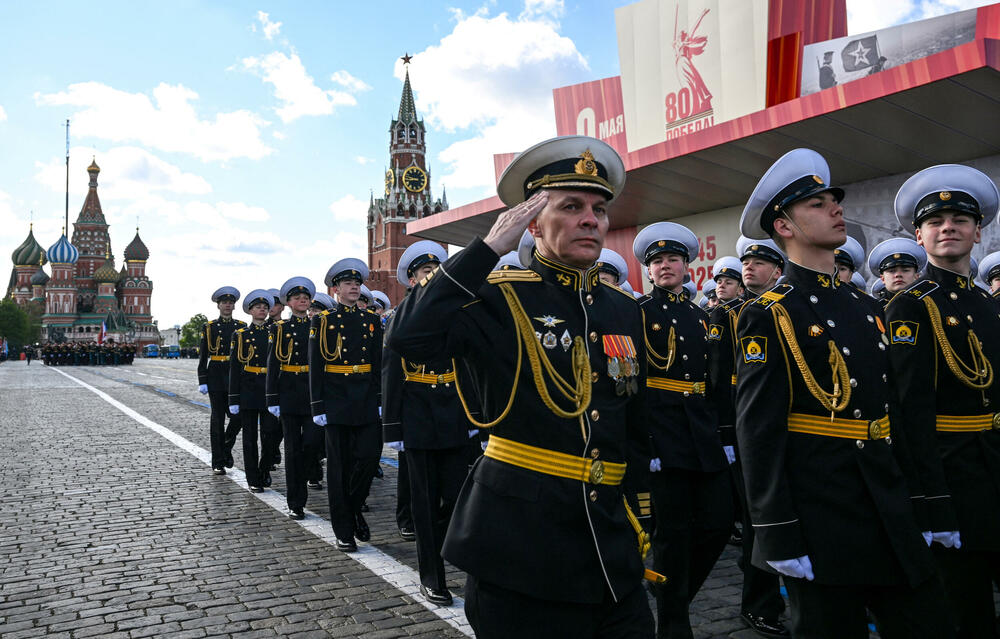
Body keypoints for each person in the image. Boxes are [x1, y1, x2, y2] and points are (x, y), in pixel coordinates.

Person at [387, 136, 655, 637]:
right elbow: (410, 337)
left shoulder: (621, 310)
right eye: (571, 206)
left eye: (598, 208)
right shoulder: (497, 297)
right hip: (522, 544)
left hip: (609, 543)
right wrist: (488, 249)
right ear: (532, 223)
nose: (590, 219)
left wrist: (640, 512)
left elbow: (630, 422)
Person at [736, 148, 951, 639]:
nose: (836, 208)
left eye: (834, 199)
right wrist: (776, 531)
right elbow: (758, 430)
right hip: (821, 506)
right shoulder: (770, 312)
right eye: (817, 204)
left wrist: (924, 502)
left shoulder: (865, 305)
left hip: (885, 492)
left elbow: (896, 412)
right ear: (784, 226)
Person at [886, 164, 1000, 638]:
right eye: (934, 222)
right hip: (952, 475)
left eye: (958, 220)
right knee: (967, 608)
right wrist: (930, 501)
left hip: (994, 464)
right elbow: (909, 411)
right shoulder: (910, 306)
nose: (946, 227)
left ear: (978, 232)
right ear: (919, 235)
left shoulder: (987, 302)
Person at [633, 222, 732, 639]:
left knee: (720, 521)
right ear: (649, 272)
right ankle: (674, 628)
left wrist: (724, 438)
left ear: (687, 266)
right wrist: (645, 440)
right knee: (671, 535)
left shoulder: (703, 316)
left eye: (673, 259)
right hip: (662, 429)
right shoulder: (638, 313)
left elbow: (716, 382)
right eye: (657, 261)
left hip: (701, 430)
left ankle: (673, 594)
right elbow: (631, 382)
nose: (665, 266)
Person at [383, 239, 475, 605]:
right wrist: (393, 428)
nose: (432, 276)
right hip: (418, 417)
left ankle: (461, 561)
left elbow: (468, 367)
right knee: (423, 504)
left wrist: (475, 418)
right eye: (425, 272)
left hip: (454, 413)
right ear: (413, 280)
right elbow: (391, 374)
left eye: (436, 270)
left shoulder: (458, 313)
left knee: (457, 499)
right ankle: (431, 576)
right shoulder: (401, 317)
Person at [707, 254, 788, 638]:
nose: (749, 269)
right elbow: (719, 378)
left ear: (778, 270)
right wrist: (726, 433)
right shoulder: (732, 314)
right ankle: (759, 604)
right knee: (760, 521)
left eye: (760, 263)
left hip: (792, 428)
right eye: (746, 264)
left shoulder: (791, 306)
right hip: (746, 429)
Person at [309, 258, 383, 552]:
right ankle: (343, 529)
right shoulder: (323, 321)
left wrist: (379, 400)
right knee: (339, 467)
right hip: (336, 399)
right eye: (348, 283)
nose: (354, 287)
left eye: (357, 283)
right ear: (336, 289)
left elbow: (377, 364)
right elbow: (316, 366)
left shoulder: (372, 321)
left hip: (365, 397)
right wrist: (318, 405)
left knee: (368, 458)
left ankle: (352, 509)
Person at [266, 277, 318, 520]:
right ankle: (295, 501)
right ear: (288, 302)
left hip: (312, 392)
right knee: (292, 448)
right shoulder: (280, 329)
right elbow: (273, 364)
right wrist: (272, 397)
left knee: (312, 443)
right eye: (297, 297)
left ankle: (307, 476)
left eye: (305, 297)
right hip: (288, 392)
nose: (302, 300)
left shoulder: (318, 326)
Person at [197, 286, 246, 475]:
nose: (227, 305)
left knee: (238, 417)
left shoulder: (241, 327)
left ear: (234, 306)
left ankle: (226, 446)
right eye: (224, 302)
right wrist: (202, 379)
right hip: (216, 375)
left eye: (230, 303)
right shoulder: (209, 327)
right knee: (217, 420)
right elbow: (203, 356)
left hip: (236, 376)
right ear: (218, 305)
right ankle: (218, 461)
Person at [228, 289, 272, 492]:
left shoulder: (276, 332)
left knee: (271, 435)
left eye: (265, 307)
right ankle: (253, 477)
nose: (262, 310)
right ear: (250, 311)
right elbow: (235, 367)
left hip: (269, 388)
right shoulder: (241, 335)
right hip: (249, 388)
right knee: (249, 438)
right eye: (258, 307)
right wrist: (234, 398)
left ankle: (264, 469)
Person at [867, 238, 926, 309]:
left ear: (917, 276)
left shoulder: (928, 305)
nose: (898, 275)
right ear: (883, 279)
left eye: (905, 270)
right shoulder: (873, 309)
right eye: (892, 271)